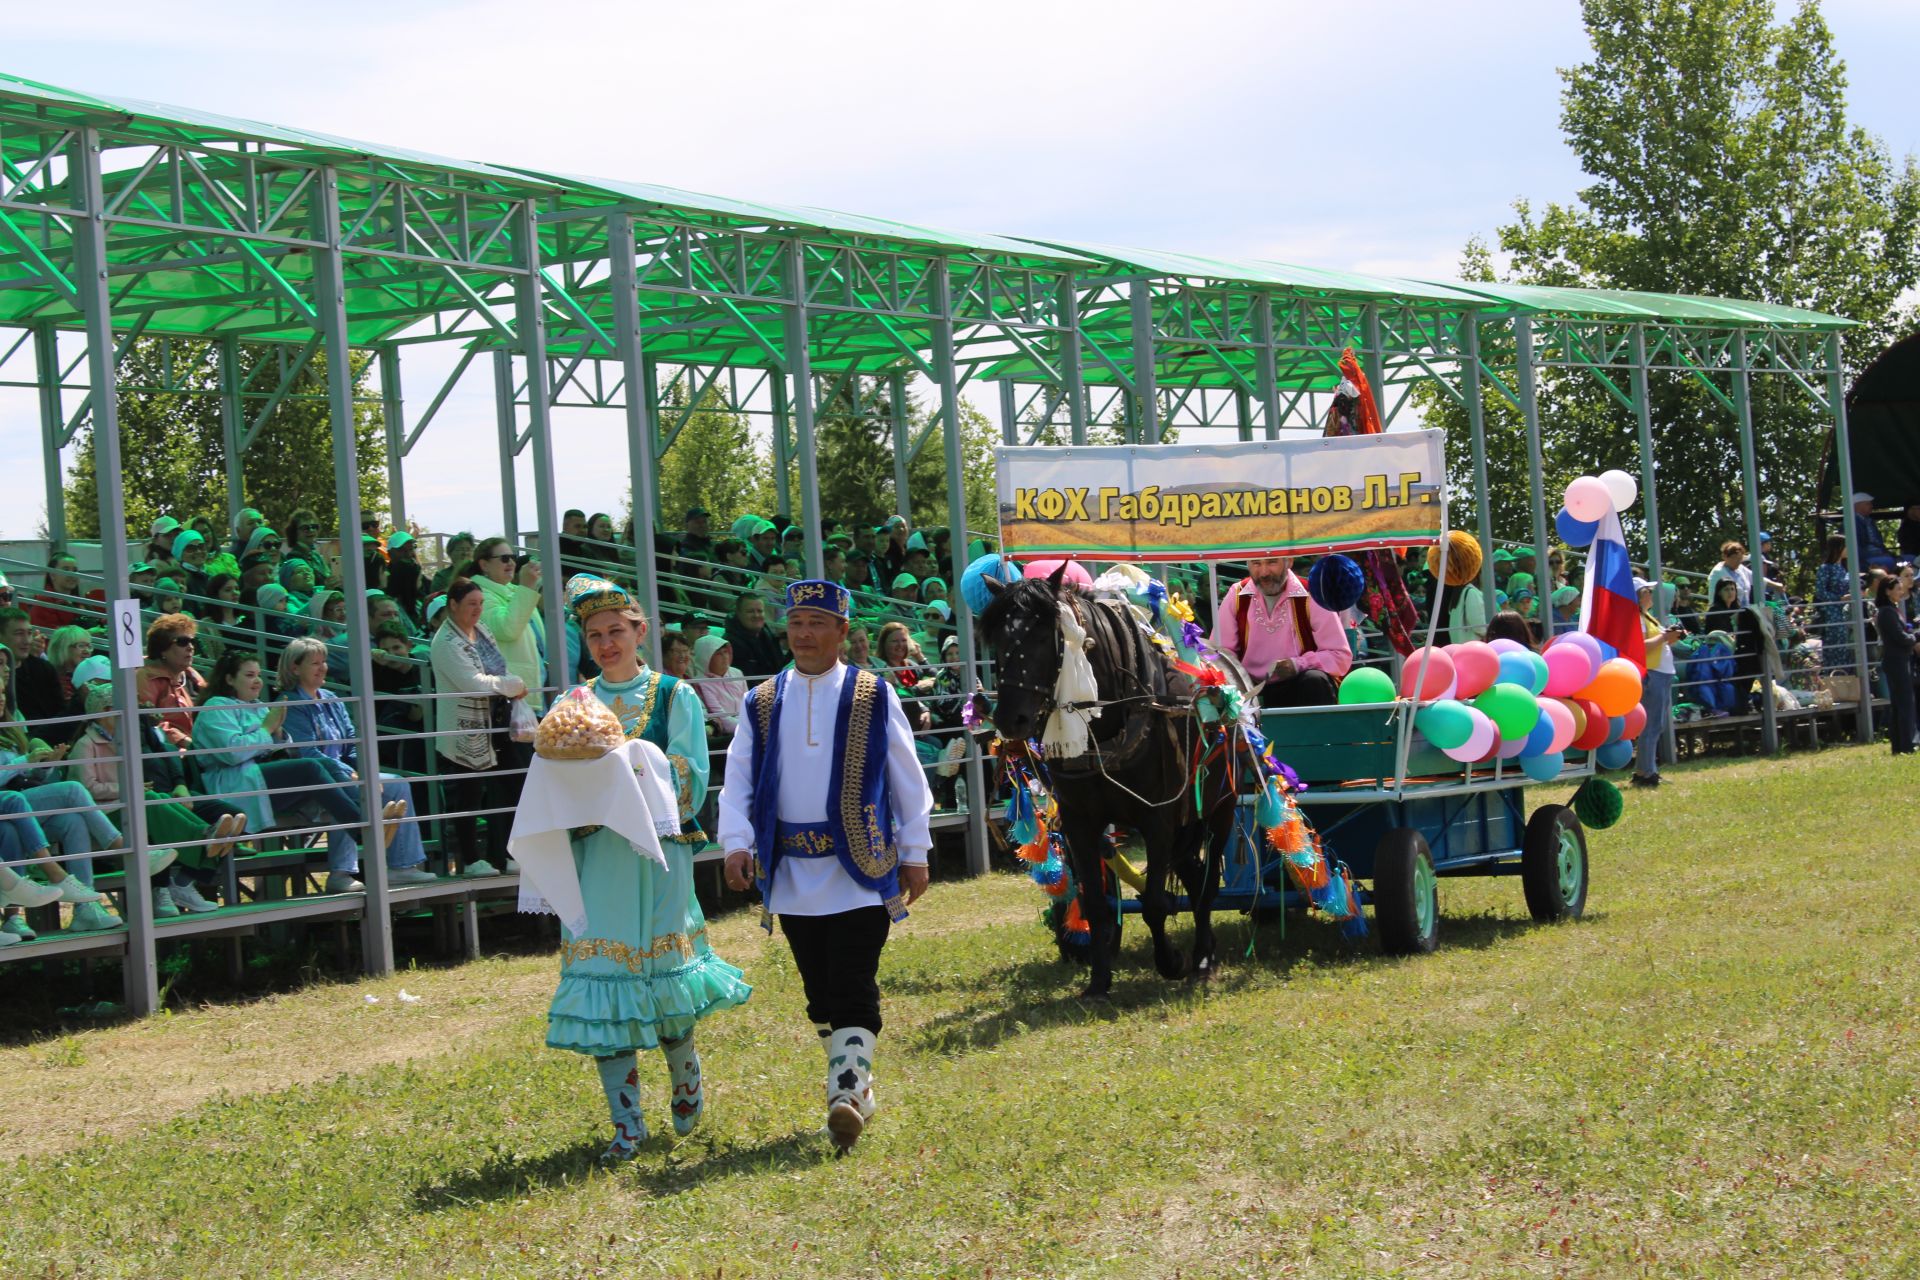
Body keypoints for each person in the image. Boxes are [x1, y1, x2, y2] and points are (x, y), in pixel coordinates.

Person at [538, 574, 750, 1160]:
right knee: (607, 981)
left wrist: (634, 761)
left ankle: (686, 1078)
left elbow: (692, 775)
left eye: (616, 632)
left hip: (657, 854)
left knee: (661, 978)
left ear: (640, 633)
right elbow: (556, 781)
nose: (606, 644)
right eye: (595, 635)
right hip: (598, 857)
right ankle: (627, 1123)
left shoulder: (674, 695)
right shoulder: (571, 706)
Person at [718, 579, 933, 1153]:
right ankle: (855, 1085)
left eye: (817, 623)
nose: (805, 634)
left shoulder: (872, 693)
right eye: (796, 624)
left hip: (861, 867)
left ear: (842, 631)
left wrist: (915, 850)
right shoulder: (761, 700)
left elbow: (906, 775)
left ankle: (845, 1093)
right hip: (790, 872)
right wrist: (736, 843)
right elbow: (739, 776)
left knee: (853, 979)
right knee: (819, 993)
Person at [276, 637, 436, 892]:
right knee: (347, 793)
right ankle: (341, 872)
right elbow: (306, 752)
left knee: (397, 785)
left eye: (324, 662)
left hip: (347, 774)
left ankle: (401, 866)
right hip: (313, 784)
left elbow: (352, 742)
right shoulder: (290, 703)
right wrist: (349, 774)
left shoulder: (331, 697)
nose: (322, 668)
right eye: (314, 663)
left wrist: (363, 771)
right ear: (295, 668)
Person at [428, 579, 527, 877]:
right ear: (453, 605)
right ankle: (470, 859)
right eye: (471, 604)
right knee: (467, 795)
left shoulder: (482, 629)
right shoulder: (445, 642)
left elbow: (498, 666)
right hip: (463, 727)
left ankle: (509, 854)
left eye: (481, 603)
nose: (478, 609)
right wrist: (511, 685)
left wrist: (509, 683)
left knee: (513, 786)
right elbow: (471, 683)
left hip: (497, 720)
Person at [1210, 556, 1352, 707]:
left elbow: (1339, 656)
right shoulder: (1237, 595)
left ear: (1289, 561)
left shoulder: (1312, 594)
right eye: (1256, 563)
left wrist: (1297, 664)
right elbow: (1218, 654)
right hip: (1250, 690)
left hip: (1299, 685)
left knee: (1314, 680)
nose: (1264, 572)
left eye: (1271, 562)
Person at [468, 538, 547, 713]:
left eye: (513, 557)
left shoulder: (514, 590)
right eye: (504, 558)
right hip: (511, 696)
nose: (511, 562)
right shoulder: (480, 596)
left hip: (536, 687)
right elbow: (507, 629)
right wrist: (526, 586)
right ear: (484, 565)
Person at [1630, 580, 1684, 788]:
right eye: (1648, 591)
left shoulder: (1646, 616)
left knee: (1654, 725)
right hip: (1653, 675)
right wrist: (1664, 637)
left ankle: (1646, 770)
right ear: (1639, 595)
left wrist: (1670, 637)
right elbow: (1641, 647)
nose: (1652, 594)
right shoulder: (1638, 618)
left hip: (1660, 674)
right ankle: (1646, 773)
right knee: (1651, 726)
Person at [1875, 572, 1915, 755]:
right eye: (1897, 589)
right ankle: (1905, 745)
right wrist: (1914, 637)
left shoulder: (1891, 609)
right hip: (1896, 661)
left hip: (1898, 660)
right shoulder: (1887, 612)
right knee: (1904, 703)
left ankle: (1900, 746)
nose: (1900, 592)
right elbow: (1899, 637)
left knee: (1900, 704)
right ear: (1887, 591)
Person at [725, 592, 786, 687]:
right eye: (750, 611)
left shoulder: (767, 635)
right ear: (738, 613)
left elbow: (780, 668)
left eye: (760, 611)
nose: (756, 615)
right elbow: (747, 683)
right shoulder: (730, 644)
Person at [1813, 534, 1855, 674]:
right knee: (1834, 650)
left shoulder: (1843, 568)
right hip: (1832, 614)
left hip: (1845, 614)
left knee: (1846, 651)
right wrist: (1839, 599)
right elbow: (1820, 592)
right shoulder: (1825, 568)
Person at [691, 634, 747, 737]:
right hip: (726, 735)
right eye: (718, 654)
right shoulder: (701, 682)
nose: (725, 657)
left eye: (726, 652)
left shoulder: (737, 673)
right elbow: (723, 720)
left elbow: (747, 706)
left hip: (745, 727)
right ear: (706, 657)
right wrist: (750, 727)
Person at [1853, 493, 1896, 572]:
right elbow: (1856, 548)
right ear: (1857, 506)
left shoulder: (1869, 521)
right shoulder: (1852, 522)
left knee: (1906, 559)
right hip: (1865, 559)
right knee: (1889, 561)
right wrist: (1867, 565)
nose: (1871, 506)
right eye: (1867, 504)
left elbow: (1878, 543)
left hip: (1877, 554)